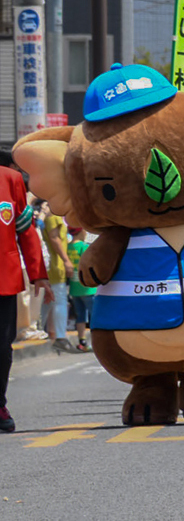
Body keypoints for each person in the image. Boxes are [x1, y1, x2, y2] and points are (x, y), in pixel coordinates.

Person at [0, 153, 50, 432]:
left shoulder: (10, 179)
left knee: (1, 348)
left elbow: (25, 229)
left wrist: (38, 273)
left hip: (2, 280)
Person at [41, 207, 75, 353]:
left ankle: (48, 331)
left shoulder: (53, 215)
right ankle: (61, 337)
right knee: (59, 300)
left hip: (53, 263)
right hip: (55, 264)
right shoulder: (53, 215)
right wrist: (66, 260)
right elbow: (54, 238)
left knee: (50, 301)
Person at [66, 227, 95, 352]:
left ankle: (82, 341)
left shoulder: (67, 247)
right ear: (82, 232)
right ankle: (98, 342)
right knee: (95, 315)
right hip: (88, 289)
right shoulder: (84, 247)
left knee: (80, 316)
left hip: (74, 288)